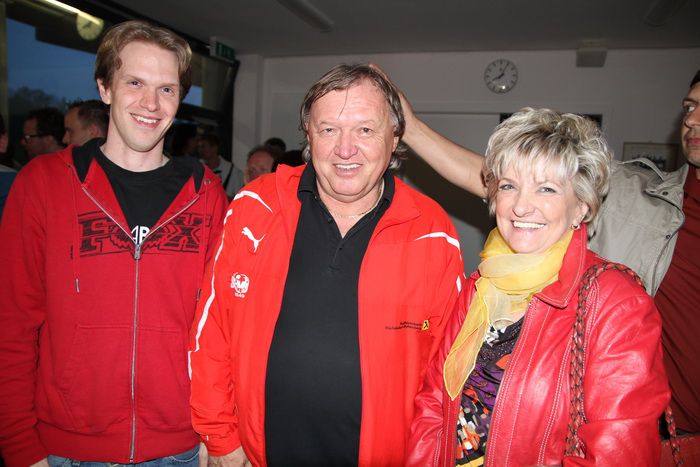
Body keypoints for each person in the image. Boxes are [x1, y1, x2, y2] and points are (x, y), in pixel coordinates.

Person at [391, 67, 700, 443]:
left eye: (547, 189)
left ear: (583, 206)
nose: (522, 206)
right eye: (509, 187)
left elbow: (613, 443)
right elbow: (436, 403)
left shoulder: (616, 300)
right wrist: (410, 127)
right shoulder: (480, 285)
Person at [188, 64, 465, 466]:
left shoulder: (432, 231)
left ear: (394, 138)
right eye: (329, 129)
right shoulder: (255, 207)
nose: (345, 149)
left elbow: (447, 373)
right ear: (309, 135)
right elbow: (211, 332)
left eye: (365, 130)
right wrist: (220, 438)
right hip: (255, 456)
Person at [0, 20, 227, 466]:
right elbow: (12, 323)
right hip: (67, 449)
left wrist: (216, 432)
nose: (151, 103)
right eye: (135, 83)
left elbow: (219, 329)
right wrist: (19, 444)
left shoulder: (206, 193)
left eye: (166, 89)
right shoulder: (45, 184)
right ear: (104, 88)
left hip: (179, 448)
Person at [198, 132, 244, 199]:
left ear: (214, 148)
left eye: (203, 146)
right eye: (199, 147)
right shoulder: (197, 168)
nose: (200, 150)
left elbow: (239, 198)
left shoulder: (234, 172)